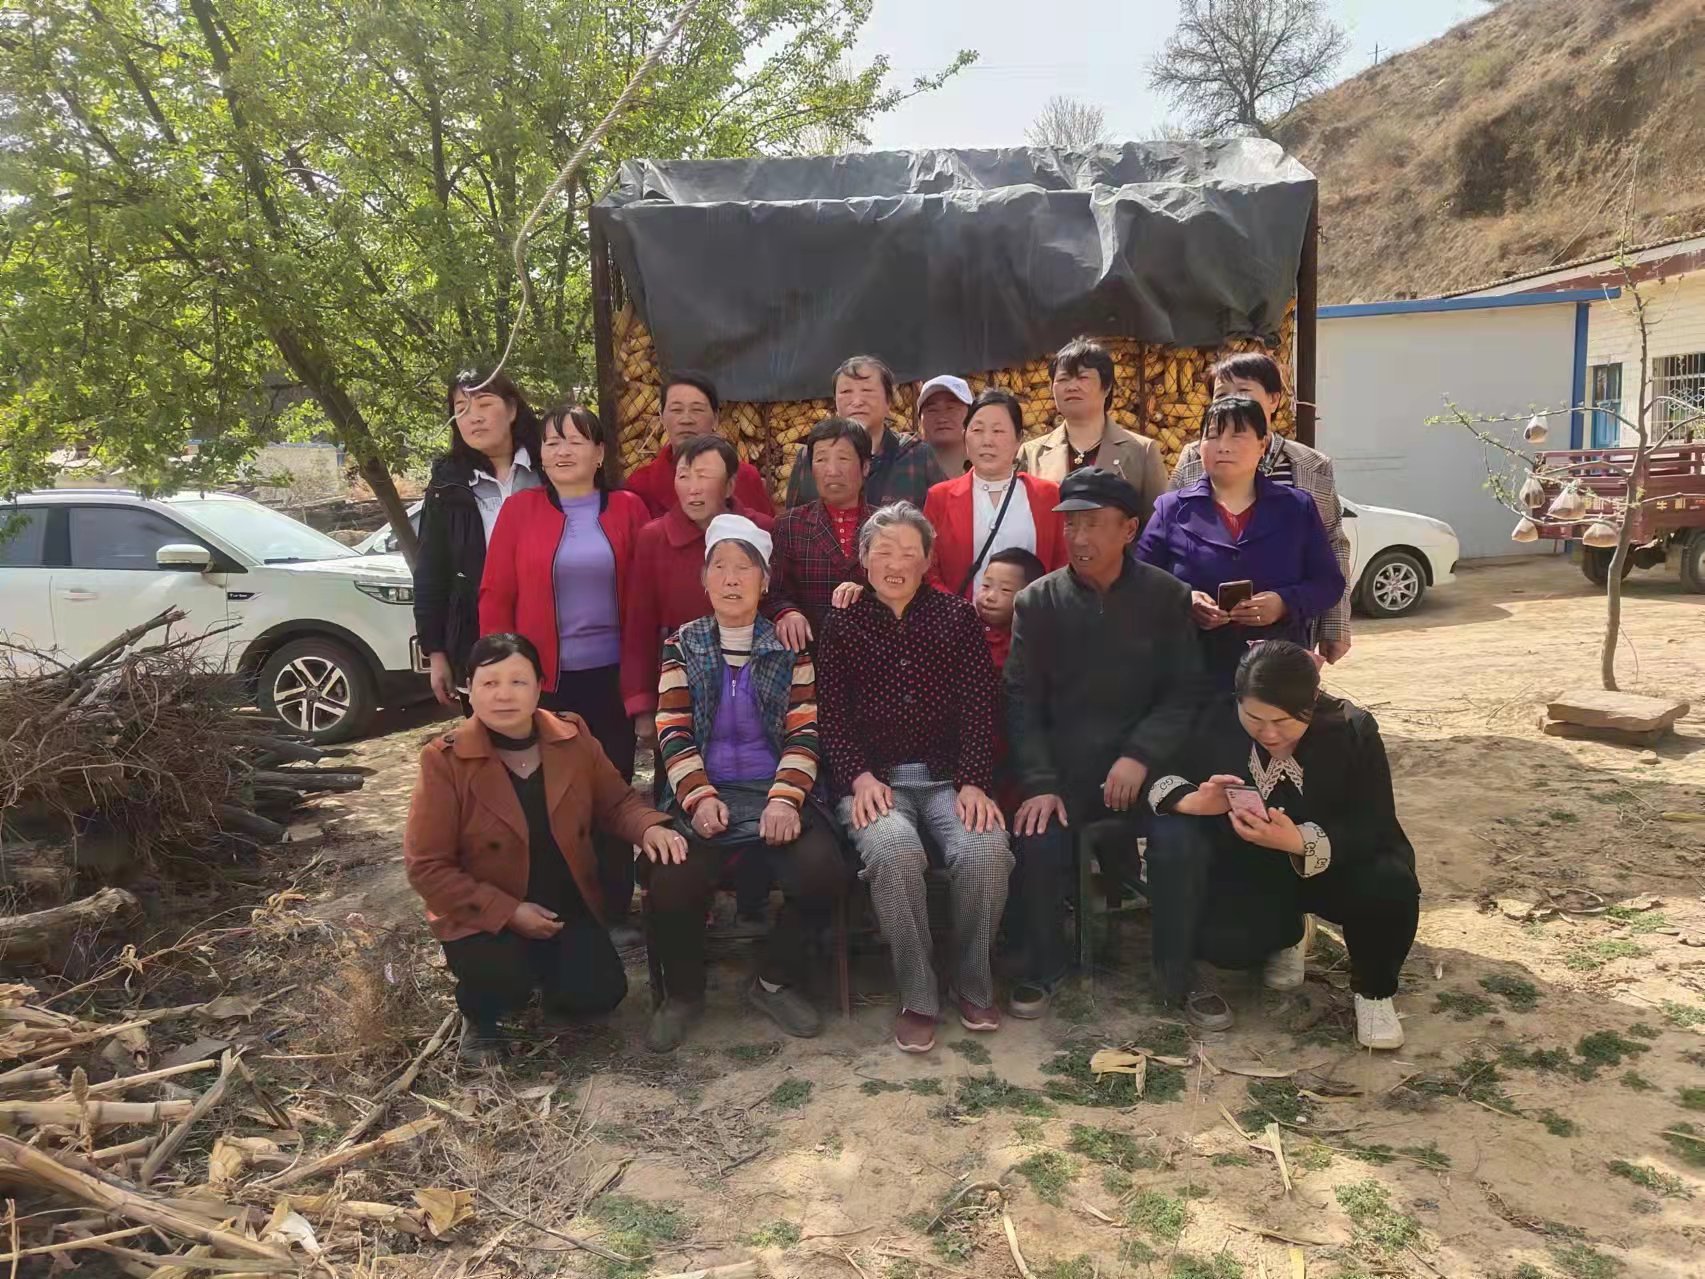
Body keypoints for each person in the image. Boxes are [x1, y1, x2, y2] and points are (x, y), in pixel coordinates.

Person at [402, 633, 685, 1065]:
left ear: (539, 686)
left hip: (561, 907)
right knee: (501, 978)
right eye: (490, 682)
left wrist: (650, 829)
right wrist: (509, 912)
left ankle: (546, 975)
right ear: (469, 689)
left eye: (518, 681)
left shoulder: (571, 736)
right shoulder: (444, 760)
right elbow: (427, 866)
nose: (504, 694)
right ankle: (482, 1017)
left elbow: (616, 802)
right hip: (485, 914)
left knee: (601, 994)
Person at [1003, 469, 1208, 1017]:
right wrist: (1040, 782)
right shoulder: (1037, 603)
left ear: (1129, 529)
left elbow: (1184, 692)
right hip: (1068, 774)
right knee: (1037, 837)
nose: (1079, 538)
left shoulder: (1165, 597)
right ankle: (1045, 968)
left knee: (1181, 841)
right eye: (1071, 525)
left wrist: (1140, 756)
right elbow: (1021, 702)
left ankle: (1177, 974)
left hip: (1149, 773)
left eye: (1093, 524)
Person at [1144, 641, 1418, 1048]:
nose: (1268, 733)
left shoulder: (1352, 729)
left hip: (1337, 867)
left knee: (1389, 881)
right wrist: (1193, 800)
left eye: (1284, 721)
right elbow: (1156, 774)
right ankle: (1289, 933)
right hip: (1252, 867)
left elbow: (1373, 823)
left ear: (1312, 702)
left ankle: (1374, 991)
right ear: (1238, 699)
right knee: (1229, 950)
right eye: (1254, 718)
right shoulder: (1213, 718)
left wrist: (1298, 840)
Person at [643, 515, 846, 1052]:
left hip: (775, 789)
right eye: (720, 567)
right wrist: (698, 796)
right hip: (705, 790)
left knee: (823, 871)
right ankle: (684, 994)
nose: (731, 579)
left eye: (744, 568)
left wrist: (786, 799)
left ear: (764, 580)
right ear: (704, 579)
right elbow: (672, 728)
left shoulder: (788, 647)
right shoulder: (682, 644)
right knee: (671, 877)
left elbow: (805, 731)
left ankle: (774, 981)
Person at [816, 503, 1012, 1053]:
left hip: (950, 778)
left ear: (928, 560)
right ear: (863, 559)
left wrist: (974, 781)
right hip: (874, 781)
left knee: (986, 847)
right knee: (894, 848)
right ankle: (918, 994)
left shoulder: (956, 618)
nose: (895, 563)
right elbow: (831, 717)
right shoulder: (843, 624)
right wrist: (858, 777)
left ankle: (972, 981)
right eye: (882, 551)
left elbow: (980, 706)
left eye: (908, 552)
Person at [478, 405, 652, 941]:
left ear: (599, 453)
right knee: (545, 797)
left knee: (611, 792)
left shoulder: (628, 508)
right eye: (552, 442)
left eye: (576, 440)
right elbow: (496, 594)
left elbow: (646, 601)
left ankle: (614, 907)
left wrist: (644, 688)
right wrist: (500, 675)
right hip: (544, 684)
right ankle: (556, 912)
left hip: (613, 678)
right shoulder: (520, 511)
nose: (562, 451)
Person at [1137, 396, 1344, 691]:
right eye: (1212, 435)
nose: (1223, 446)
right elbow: (1140, 581)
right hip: (1192, 670)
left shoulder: (1296, 508)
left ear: (1263, 445)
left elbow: (1328, 583)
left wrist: (1283, 603)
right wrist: (1184, 600)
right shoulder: (1171, 509)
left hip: (1274, 670)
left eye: (1237, 435)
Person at [1171, 353, 1353, 664]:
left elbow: (1333, 544)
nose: (1233, 401)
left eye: (1244, 391)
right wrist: (1185, 598)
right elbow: (1169, 540)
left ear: (1273, 399)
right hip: (1204, 641)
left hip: (1286, 630)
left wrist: (1335, 625)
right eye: (1221, 394)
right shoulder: (1194, 457)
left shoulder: (1310, 465)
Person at [622, 435, 800, 749]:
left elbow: (779, 594)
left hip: (756, 681)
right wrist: (643, 704)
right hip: (680, 684)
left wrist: (787, 612)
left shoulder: (763, 530)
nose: (693, 488)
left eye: (704, 476)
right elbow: (639, 625)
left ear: (729, 486)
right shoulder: (654, 538)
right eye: (684, 476)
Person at [415, 368, 542, 706]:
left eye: (485, 404)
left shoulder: (547, 470)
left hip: (550, 628)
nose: (474, 417)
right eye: (461, 409)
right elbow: (431, 571)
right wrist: (436, 652)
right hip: (476, 636)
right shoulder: (447, 485)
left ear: (512, 409)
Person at [923, 389, 1066, 597]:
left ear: (1019, 439)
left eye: (998, 431)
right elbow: (928, 568)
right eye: (977, 430)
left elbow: (1062, 566)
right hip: (959, 615)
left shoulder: (1047, 496)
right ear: (965, 436)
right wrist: (956, 611)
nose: (987, 440)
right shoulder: (940, 497)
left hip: (1030, 616)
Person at [1017, 337, 1169, 520]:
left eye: (1083, 378)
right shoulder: (1031, 454)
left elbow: (1159, 526)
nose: (1072, 387)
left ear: (1107, 387)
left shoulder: (1141, 452)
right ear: (1051, 388)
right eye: (1063, 379)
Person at [785, 355, 943, 510]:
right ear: (835, 402)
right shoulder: (810, 458)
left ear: (888, 401)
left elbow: (941, 518)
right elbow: (793, 521)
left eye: (867, 391)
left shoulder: (917, 456)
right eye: (846, 392)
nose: (857, 401)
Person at [768, 418, 873, 638]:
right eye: (821, 459)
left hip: (876, 646)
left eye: (843, 458)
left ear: (865, 466)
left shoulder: (886, 526)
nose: (832, 471)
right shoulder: (789, 525)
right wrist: (787, 613)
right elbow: (775, 593)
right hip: (811, 646)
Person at [622, 372, 775, 520]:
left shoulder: (745, 478)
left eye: (697, 410)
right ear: (662, 418)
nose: (686, 419)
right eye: (676, 410)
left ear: (715, 418)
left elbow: (765, 532)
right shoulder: (640, 486)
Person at [976, 546, 1046, 673]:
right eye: (986, 585)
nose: (990, 597)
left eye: (1005, 590)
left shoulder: (1037, 641)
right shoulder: (965, 630)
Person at [915, 374, 974, 479]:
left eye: (951, 408)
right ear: (920, 420)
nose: (942, 418)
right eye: (932, 410)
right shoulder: (905, 469)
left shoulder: (990, 468)